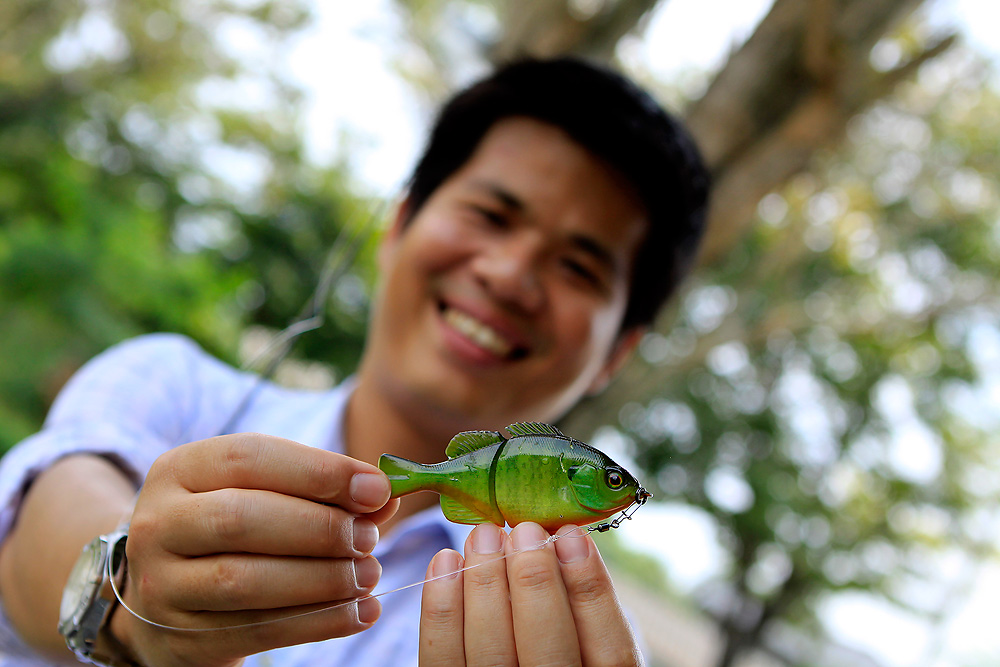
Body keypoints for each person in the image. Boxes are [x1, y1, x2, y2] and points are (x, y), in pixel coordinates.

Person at [0, 56, 709, 666]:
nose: (509, 275)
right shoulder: (174, 385)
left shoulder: (584, 634)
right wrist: (131, 599)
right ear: (399, 224)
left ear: (618, 351)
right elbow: (45, 511)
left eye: (578, 267)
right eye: (491, 216)